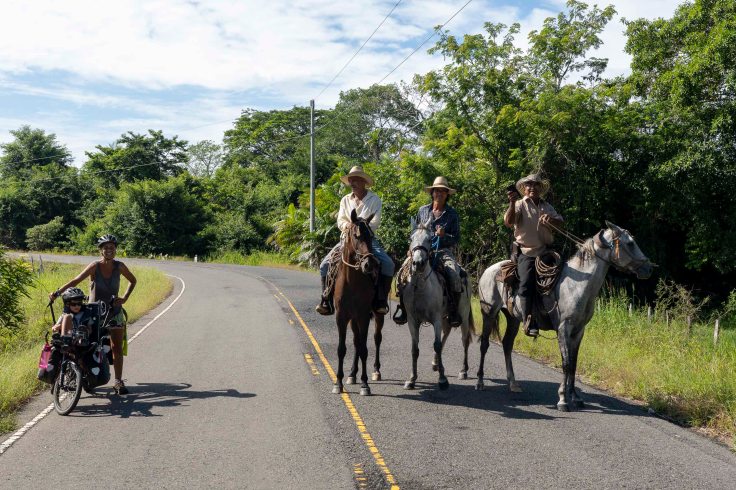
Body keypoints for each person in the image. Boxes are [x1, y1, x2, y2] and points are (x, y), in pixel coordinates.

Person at [49, 234, 137, 394]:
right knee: (84, 345)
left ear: (115, 250)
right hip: (93, 313)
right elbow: (76, 280)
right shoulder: (95, 266)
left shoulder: (120, 266)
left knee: (116, 347)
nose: (109, 250)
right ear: (100, 250)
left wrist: (124, 298)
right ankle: (80, 374)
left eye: (112, 247)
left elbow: (133, 280)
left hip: (114, 312)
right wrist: (57, 293)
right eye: (106, 248)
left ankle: (118, 382)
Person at [315, 166, 395, 316]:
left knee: (388, 264)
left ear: (364, 182)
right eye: (351, 180)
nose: (352, 183)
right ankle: (326, 300)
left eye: (356, 180)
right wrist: (348, 226)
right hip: (346, 240)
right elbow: (340, 220)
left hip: (367, 240)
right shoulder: (345, 200)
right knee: (324, 265)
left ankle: (380, 300)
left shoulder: (374, 200)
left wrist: (360, 227)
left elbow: (375, 222)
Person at [393, 176, 463, 327]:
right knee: (401, 274)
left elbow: (456, 238)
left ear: (447, 194)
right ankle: (403, 308)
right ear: (432, 192)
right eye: (437, 190)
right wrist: (410, 249)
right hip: (420, 250)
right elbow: (415, 233)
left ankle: (453, 311)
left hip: (442, 251)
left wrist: (444, 236)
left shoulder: (452, 214)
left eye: (443, 191)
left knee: (454, 275)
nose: (439, 193)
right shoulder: (422, 210)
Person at [504, 173, 563, 338]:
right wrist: (511, 202)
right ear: (524, 189)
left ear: (540, 188)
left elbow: (561, 223)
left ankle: (559, 316)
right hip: (526, 252)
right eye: (529, 185)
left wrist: (551, 220)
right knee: (526, 284)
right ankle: (528, 321)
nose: (532, 188)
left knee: (562, 277)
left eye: (536, 185)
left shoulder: (547, 206)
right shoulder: (519, 204)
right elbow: (509, 222)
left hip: (546, 251)